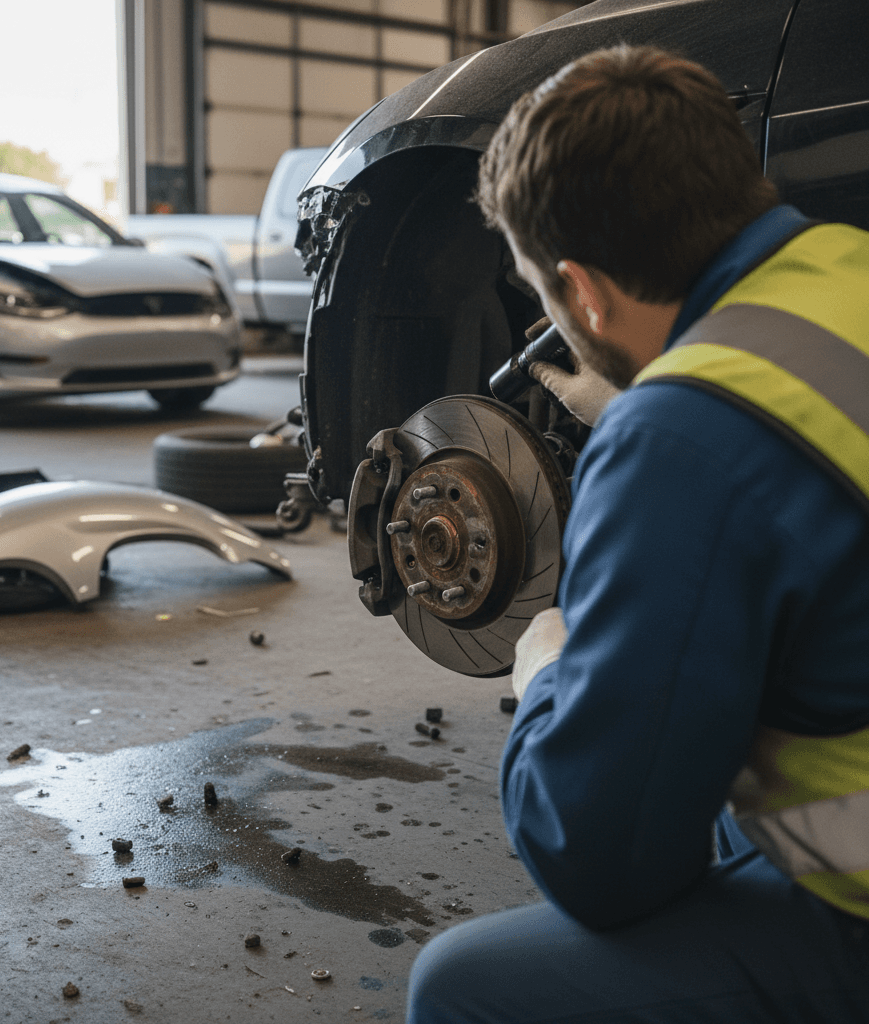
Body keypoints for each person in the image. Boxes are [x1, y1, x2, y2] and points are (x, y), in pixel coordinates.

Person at [407, 45, 869, 1023]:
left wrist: (545, 681)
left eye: (542, 294)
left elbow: (599, 862)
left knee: (459, 988)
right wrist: (651, 398)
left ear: (578, 290)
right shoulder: (844, 270)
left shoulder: (679, 443)